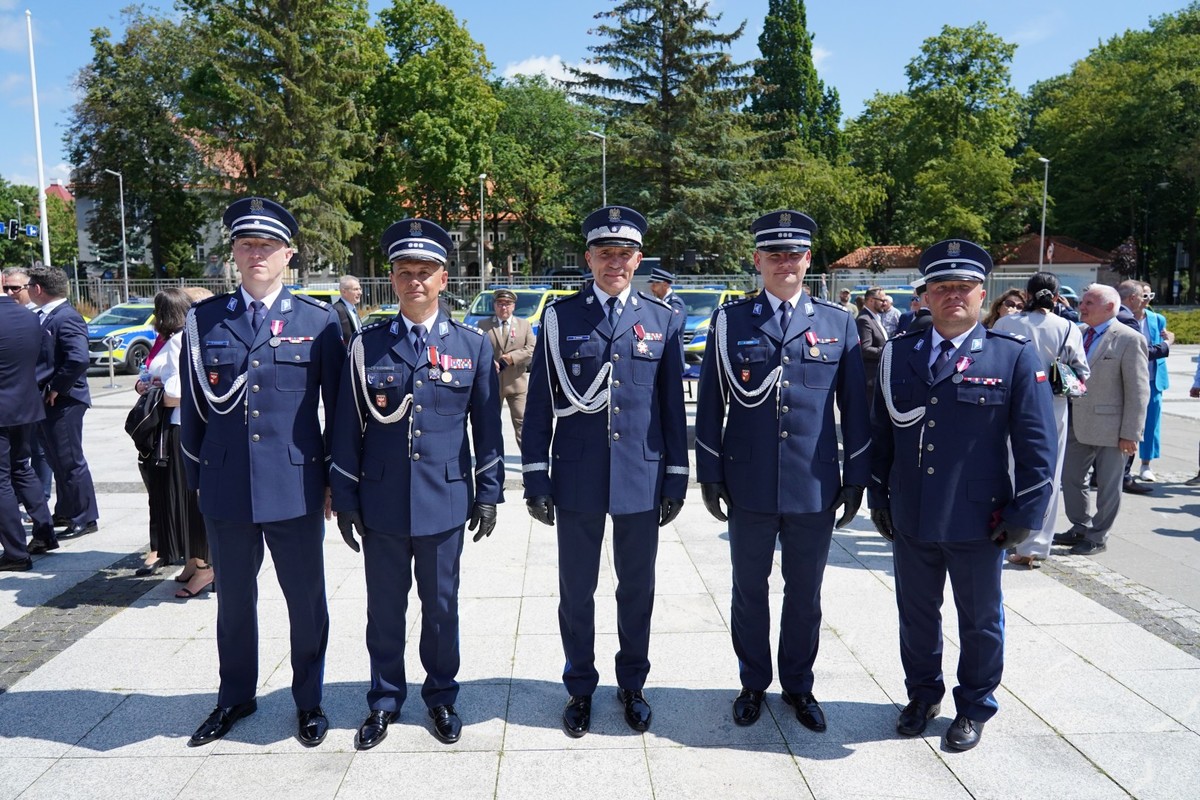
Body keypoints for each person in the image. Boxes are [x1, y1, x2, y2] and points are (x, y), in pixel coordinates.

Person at [869, 239, 1056, 751]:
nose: (953, 295)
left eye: (964, 287)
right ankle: (922, 694)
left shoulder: (1012, 356)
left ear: (982, 293)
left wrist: (1027, 513)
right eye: (941, 286)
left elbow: (1039, 445)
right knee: (917, 614)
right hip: (912, 513)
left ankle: (974, 706)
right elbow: (881, 434)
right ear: (925, 294)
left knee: (979, 620)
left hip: (981, 518)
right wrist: (879, 497)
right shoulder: (898, 353)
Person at [330, 219, 504, 750]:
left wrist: (489, 492)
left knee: (441, 606)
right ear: (392, 278)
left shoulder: (471, 346)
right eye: (405, 272)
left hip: (445, 500)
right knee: (384, 609)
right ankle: (384, 700)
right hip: (381, 502)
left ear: (444, 278)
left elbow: (488, 427)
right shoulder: (367, 345)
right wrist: (345, 497)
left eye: (425, 272)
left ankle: (441, 696)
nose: (415, 282)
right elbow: (345, 427)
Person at [695, 210, 870, 730]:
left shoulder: (838, 323)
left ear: (807, 260)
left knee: (805, 593)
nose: (784, 263)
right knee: (749, 590)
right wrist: (710, 471)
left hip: (814, 484)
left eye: (793, 254)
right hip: (748, 481)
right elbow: (710, 404)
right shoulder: (732, 320)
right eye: (774, 254)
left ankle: (798, 684)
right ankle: (753, 681)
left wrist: (855, 477)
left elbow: (854, 410)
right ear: (758, 261)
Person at [180, 197, 345, 748]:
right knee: (233, 600)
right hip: (226, 486)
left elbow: (339, 414)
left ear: (288, 255)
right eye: (247, 244)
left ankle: (309, 700)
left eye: (267, 245)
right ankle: (234, 696)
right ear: (233, 251)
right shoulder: (205, 321)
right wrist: (194, 480)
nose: (256, 254)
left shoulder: (319, 322)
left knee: (306, 600)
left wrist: (333, 483)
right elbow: (195, 416)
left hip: (296, 486)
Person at [522, 205, 688, 738]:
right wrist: (534, 476)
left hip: (641, 475)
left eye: (624, 254)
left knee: (637, 588)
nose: (614, 262)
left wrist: (677, 476)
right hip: (577, 477)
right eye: (604, 253)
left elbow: (670, 407)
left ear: (638, 260)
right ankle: (579, 687)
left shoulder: (662, 319)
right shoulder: (558, 318)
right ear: (588, 257)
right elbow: (540, 404)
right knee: (577, 589)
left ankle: (633, 684)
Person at [992, 272, 1090, 566]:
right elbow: (1082, 372)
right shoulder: (1067, 326)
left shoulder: (1006, 323)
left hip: (1009, 402)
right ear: (1057, 295)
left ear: (1027, 293)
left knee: (1007, 469)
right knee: (1049, 473)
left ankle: (1007, 533)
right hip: (1052, 404)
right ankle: (1036, 545)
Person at [1054, 285, 1149, 556]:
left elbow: (1139, 390)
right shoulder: (1078, 333)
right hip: (1075, 421)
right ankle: (1080, 526)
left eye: (1089, 303)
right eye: (1083, 302)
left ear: (1110, 307)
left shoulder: (1129, 338)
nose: (1081, 307)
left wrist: (1131, 432)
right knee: (1071, 478)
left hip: (1113, 428)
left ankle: (1098, 536)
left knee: (1108, 485)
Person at [135, 288, 213, 597]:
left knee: (188, 502)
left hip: (182, 429)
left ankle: (205, 568)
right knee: (179, 501)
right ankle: (196, 563)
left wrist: (153, 393)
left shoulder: (180, 340)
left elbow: (179, 394)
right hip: (177, 428)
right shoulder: (178, 339)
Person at [27, 266, 99, 540]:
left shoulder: (66, 317)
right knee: (56, 459)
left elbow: (78, 358)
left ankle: (85, 516)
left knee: (70, 461)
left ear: (38, 289)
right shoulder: (46, 315)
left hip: (65, 400)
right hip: (48, 399)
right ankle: (67, 509)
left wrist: (57, 386)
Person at [0, 289, 46, 571]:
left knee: (2, 479)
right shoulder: (29, 316)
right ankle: (45, 532)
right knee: (21, 468)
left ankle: (16, 553)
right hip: (25, 404)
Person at [1121, 281, 1172, 483]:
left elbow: (1158, 348)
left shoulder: (1157, 319)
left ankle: (1146, 464)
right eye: (1144, 296)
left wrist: (1166, 342)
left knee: (1151, 423)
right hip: (1130, 378)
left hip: (1152, 379)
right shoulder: (1124, 318)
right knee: (1128, 423)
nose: (1146, 301)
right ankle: (1123, 464)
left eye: (1150, 296)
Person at [477, 289, 536, 448]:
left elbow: (532, 348)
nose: (504, 307)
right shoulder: (483, 325)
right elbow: (476, 348)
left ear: (513, 306)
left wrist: (512, 357)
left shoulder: (524, 325)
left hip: (517, 383)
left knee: (523, 423)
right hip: (492, 383)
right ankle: (493, 458)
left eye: (507, 304)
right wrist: (488, 361)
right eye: (500, 304)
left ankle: (528, 460)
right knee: (490, 423)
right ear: (494, 306)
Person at [856, 286, 889, 398]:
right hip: (871, 380)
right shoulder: (864, 319)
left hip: (878, 377)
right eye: (882, 300)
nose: (885, 303)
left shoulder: (875, 317)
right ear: (871, 300)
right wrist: (888, 350)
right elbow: (865, 349)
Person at [333, 274, 363, 347]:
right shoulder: (337, 310)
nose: (360, 293)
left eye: (360, 289)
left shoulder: (353, 309)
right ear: (344, 292)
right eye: (356, 289)